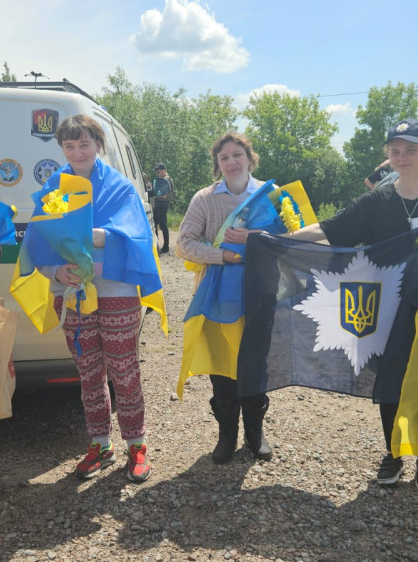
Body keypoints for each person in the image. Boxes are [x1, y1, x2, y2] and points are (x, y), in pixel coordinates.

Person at [284, 118, 418, 493]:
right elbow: (330, 229)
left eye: (411, 150)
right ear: (388, 155)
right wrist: (276, 239)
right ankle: (394, 452)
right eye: (395, 151)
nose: (403, 157)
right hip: (385, 308)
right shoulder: (376, 202)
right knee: (391, 381)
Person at [43, 114, 156, 482]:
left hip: (116, 289)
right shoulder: (55, 188)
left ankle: (136, 444)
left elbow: (138, 234)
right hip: (71, 291)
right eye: (70, 145)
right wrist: (55, 272)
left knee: (123, 369)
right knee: (89, 372)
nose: (78, 152)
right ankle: (100, 444)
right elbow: (40, 241)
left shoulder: (120, 187)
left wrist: (99, 236)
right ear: (62, 148)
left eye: (84, 144)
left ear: (98, 145)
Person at [175, 131, 273, 464]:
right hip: (216, 294)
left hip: (259, 293)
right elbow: (184, 243)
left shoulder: (269, 196)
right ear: (217, 164)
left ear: (250, 158)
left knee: (255, 364)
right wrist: (223, 256)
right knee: (221, 367)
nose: (231, 162)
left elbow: (288, 239)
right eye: (224, 157)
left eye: (237, 155)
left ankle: (255, 434)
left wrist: (254, 239)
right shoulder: (205, 199)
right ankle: (226, 436)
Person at [151, 163, 174, 253]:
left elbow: (165, 195)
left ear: (163, 170)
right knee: (157, 224)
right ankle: (159, 245)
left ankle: (164, 247)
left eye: (158, 172)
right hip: (160, 204)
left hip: (162, 204)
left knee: (162, 225)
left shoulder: (166, 180)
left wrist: (155, 195)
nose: (157, 174)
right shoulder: (164, 180)